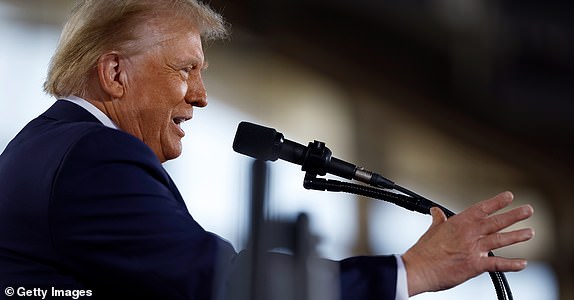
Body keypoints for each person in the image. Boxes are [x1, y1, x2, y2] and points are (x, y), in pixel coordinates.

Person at [0, 0, 534, 299]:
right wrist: (409, 270)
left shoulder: (45, 147)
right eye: (185, 70)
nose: (201, 95)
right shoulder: (97, 160)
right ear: (115, 72)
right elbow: (225, 287)